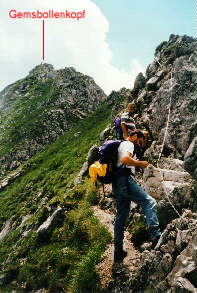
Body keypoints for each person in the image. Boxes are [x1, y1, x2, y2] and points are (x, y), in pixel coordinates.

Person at [112, 130, 161, 263]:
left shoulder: (121, 145)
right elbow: (125, 160)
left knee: (121, 216)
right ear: (134, 136)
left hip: (117, 182)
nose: (140, 143)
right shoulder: (129, 144)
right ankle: (156, 236)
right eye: (140, 140)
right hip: (125, 180)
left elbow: (122, 161)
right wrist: (141, 164)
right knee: (149, 202)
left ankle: (118, 251)